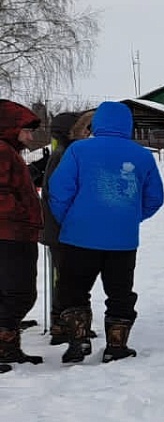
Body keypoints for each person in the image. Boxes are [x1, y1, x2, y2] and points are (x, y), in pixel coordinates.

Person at [47, 101, 164, 365]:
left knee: (73, 290)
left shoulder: (78, 150)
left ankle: (78, 341)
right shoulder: (143, 156)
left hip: (79, 236)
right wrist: (130, 217)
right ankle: (117, 345)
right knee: (120, 292)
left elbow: (59, 190)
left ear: (96, 123)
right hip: (122, 240)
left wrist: (70, 220)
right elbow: (154, 198)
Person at [38, 111, 93, 344]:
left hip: (58, 228)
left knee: (66, 278)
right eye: (84, 128)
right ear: (72, 131)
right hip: (62, 230)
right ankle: (64, 326)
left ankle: (62, 324)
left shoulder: (64, 153)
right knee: (68, 279)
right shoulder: (66, 155)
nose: (88, 132)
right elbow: (60, 195)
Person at [0, 100, 45, 371]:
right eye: (26, 130)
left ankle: (9, 348)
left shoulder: (8, 152)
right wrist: (21, 214)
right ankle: (5, 347)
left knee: (7, 293)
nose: (31, 136)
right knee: (20, 294)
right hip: (11, 234)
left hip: (13, 232)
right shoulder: (3, 152)